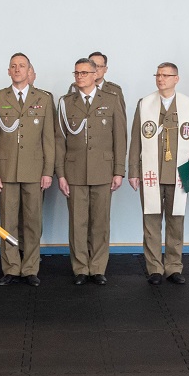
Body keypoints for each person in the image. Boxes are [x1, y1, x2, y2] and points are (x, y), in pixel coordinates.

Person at [128, 62, 189, 285]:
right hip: (151, 172)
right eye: (158, 75)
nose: (160, 79)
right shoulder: (144, 104)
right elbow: (135, 140)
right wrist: (133, 171)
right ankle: (154, 267)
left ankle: (173, 266)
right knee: (151, 221)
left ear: (176, 79)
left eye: (166, 75)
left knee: (176, 221)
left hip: (179, 172)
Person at [56, 57, 126, 285]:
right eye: (77, 73)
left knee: (100, 222)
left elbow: (120, 137)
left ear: (96, 75)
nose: (80, 77)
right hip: (74, 170)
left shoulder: (111, 100)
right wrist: (61, 174)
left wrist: (119, 171)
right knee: (77, 223)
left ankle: (97, 267)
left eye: (84, 73)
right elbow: (59, 140)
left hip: (103, 170)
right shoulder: (66, 102)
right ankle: (80, 268)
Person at [0, 53, 54, 286]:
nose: (17, 69)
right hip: (6, 170)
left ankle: (30, 268)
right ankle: (11, 267)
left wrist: (48, 171)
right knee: (8, 222)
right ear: (8, 71)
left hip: (35, 170)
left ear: (29, 71)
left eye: (22, 66)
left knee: (33, 222)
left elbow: (49, 139)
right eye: (13, 66)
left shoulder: (44, 99)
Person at [87, 51, 127, 117]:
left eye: (99, 66)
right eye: (92, 66)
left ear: (105, 69)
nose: (95, 69)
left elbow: (120, 120)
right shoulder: (76, 88)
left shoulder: (115, 91)